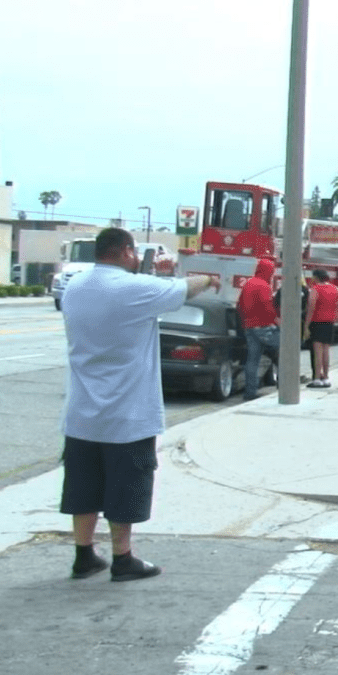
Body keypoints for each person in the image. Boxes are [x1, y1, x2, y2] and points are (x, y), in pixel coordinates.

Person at [60, 227, 222, 581]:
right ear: (124, 252)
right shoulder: (135, 289)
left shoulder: (74, 287)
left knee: (83, 487)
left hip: (81, 415)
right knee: (125, 486)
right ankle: (122, 558)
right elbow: (184, 289)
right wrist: (209, 278)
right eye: (133, 253)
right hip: (127, 415)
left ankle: (84, 555)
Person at [236, 258, 281, 401]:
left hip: (250, 327)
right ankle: (284, 385)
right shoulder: (264, 286)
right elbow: (267, 307)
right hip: (264, 326)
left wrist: (245, 323)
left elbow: (240, 305)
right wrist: (277, 321)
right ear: (268, 271)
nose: (272, 274)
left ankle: (250, 392)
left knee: (252, 360)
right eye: (272, 271)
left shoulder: (248, 284)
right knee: (285, 352)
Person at [305, 268, 338, 388]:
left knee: (317, 353)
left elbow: (311, 308)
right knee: (326, 352)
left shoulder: (315, 289)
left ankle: (316, 379)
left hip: (317, 322)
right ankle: (325, 377)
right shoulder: (333, 288)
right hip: (329, 323)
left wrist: (306, 326)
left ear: (316, 277)